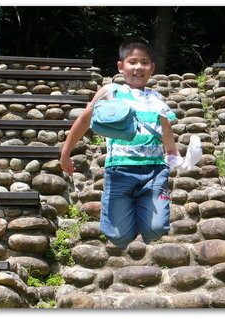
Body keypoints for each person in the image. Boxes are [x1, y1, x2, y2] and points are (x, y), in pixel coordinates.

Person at [60, 38, 180, 249]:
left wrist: (172, 151)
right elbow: (84, 120)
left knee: (157, 229)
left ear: (152, 68)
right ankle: (126, 217)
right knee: (118, 237)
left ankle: (140, 214)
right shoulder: (109, 92)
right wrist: (65, 153)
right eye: (132, 61)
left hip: (154, 171)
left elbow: (165, 128)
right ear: (121, 66)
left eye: (144, 62)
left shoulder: (156, 98)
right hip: (120, 171)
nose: (138, 67)